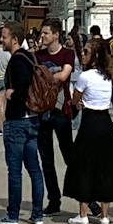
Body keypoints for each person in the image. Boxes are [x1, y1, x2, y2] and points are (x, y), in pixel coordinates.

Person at [62, 36, 113, 224]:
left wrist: (77, 103)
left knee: (85, 166)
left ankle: (83, 214)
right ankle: (105, 215)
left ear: (94, 56)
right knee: (105, 166)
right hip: (105, 121)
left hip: (90, 121)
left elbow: (75, 99)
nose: (82, 55)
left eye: (86, 52)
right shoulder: (107, 76)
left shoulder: (85, 76)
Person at [0, 23, 46, 224]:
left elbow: (23, 86)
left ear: (14, 38)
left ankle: (13, 214)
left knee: (15, 170)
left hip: (18, 121)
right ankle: (37, 214)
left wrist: (11, 94)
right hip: (32, 119)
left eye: (5, 37)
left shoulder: (17, 60)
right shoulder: (30, 56)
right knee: (34, 168)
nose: (2, 40)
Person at [32, 22, 76, 212]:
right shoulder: (38, 55)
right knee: (46, 160)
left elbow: (64, 76)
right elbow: (35, 78)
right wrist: (49, 76)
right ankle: (54, 199)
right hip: (42, 112)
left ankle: (86, 197)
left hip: (61, 111)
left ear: (56, 35)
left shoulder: (67, 54)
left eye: (46, 33)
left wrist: (45, 75)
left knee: (70, 157)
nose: (43, 36)